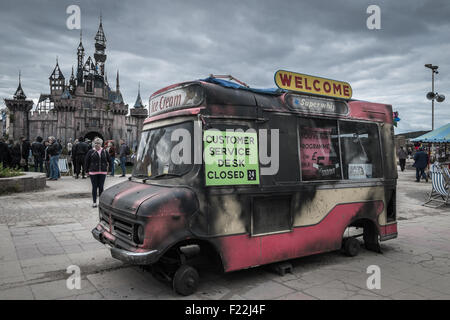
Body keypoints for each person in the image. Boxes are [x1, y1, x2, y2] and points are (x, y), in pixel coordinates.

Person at [85, 137, 110, 208]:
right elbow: (87, 162)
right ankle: (94, 202)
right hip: (93, 172)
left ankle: (101, 202)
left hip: (103, 172)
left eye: (98, 143)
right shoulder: (90, 152)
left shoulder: (105, 151)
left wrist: (110, 170)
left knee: (101, 187)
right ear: (93, 144)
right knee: (94, 187)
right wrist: (86, 171)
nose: (97, 144)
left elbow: (110, 161)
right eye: (95, 143)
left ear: (101, 144)